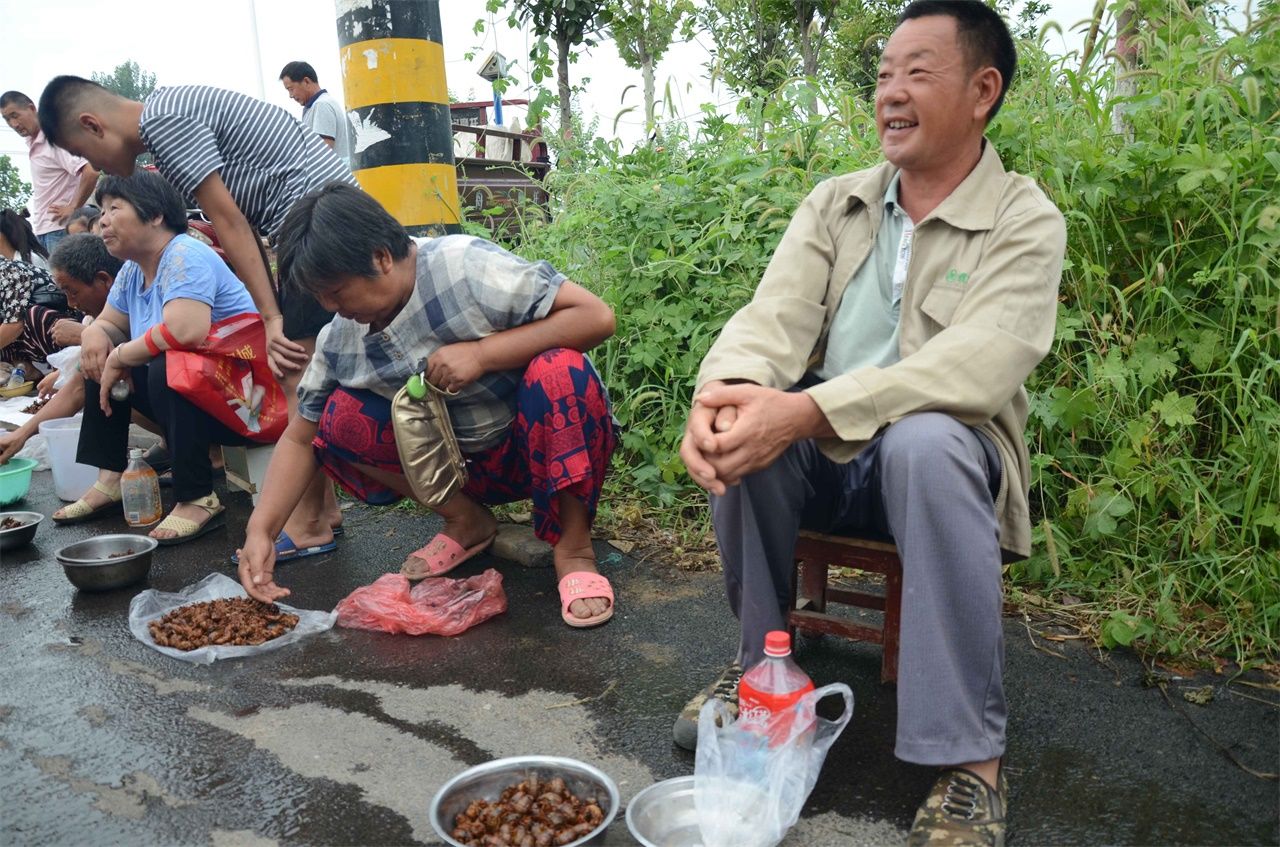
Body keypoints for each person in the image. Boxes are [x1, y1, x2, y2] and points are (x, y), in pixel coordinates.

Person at [674, 2, 1066, 844]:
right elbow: (769, 317)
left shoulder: (1024, 219)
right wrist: (721, 398)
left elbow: (976, 366)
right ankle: (762, 678)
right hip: (826, 451)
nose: (890, 91)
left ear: (983, 90)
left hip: (940, 463)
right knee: (753, 429)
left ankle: (968, 766)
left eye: (917, 72)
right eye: (884, 74)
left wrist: (809, 407)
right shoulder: (838, 202)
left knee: (924, 439)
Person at [235, 183, 619, 629]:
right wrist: (260, 530)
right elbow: (301, 439)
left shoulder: (462, 267)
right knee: (337, 419)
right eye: (320, 297)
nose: (330, 308)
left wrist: (482, 354)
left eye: (337, 292)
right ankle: (466, 520)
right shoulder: (340, 338)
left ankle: (574, 551)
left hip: (537, 451)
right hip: (459, 470)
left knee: (560, 371)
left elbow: (595, 316)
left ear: (380, 258)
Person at [39, 75, 357, 557]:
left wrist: (271, 316)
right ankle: (320, 513)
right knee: (301, 381)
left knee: (297, 381)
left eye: (84, 153)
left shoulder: (164, 122)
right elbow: (241, 218)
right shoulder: (170, 115)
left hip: (317, 222)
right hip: (313, 220)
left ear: (92, 124)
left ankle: (310, 523)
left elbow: (228, 222)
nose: (92, 169)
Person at [50, 170, 262, 544]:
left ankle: (198, 496)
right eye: (101, 210)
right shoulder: (133, 270)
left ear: (156, 215)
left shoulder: (184, 254)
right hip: (200, 397)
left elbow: (186, 330)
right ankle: (110, 479)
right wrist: (97, 338)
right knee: (98, 357)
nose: (103, 220)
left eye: (115, 207)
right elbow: (108, 323)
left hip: (246, 400)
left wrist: (119, 354)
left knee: (166, 363)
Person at [0, 233, 121, 464]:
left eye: (72, 292)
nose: (70, 304)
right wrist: (20, 436)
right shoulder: (97, 319)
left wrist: (84, 335)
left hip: (189, 399)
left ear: (104, 280)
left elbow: (156, 342)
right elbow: (77, 387)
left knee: (105, 369)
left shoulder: (130, 299)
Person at [0, 91, 99, 254]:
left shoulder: (53, 140)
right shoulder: (34, 142)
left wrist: (73, 206)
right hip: (44, 230)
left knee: (66, 279)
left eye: (15, 115)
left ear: (31, 108)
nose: (13, 124)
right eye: (7, 119)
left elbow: (91, 170)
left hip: (59, 230)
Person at [0, 209, 77, 376]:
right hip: (35, 342)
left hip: (60, 325)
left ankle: (59, 371)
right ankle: (26, 371)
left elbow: (14, 324)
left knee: (32, 315)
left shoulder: (15, 267)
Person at [279, 61, 355, 167]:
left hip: (333, 178)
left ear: (306, 81)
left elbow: (322, 152)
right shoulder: (319, 105)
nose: (290, 95)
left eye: (291, 89)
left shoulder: (321, 105)